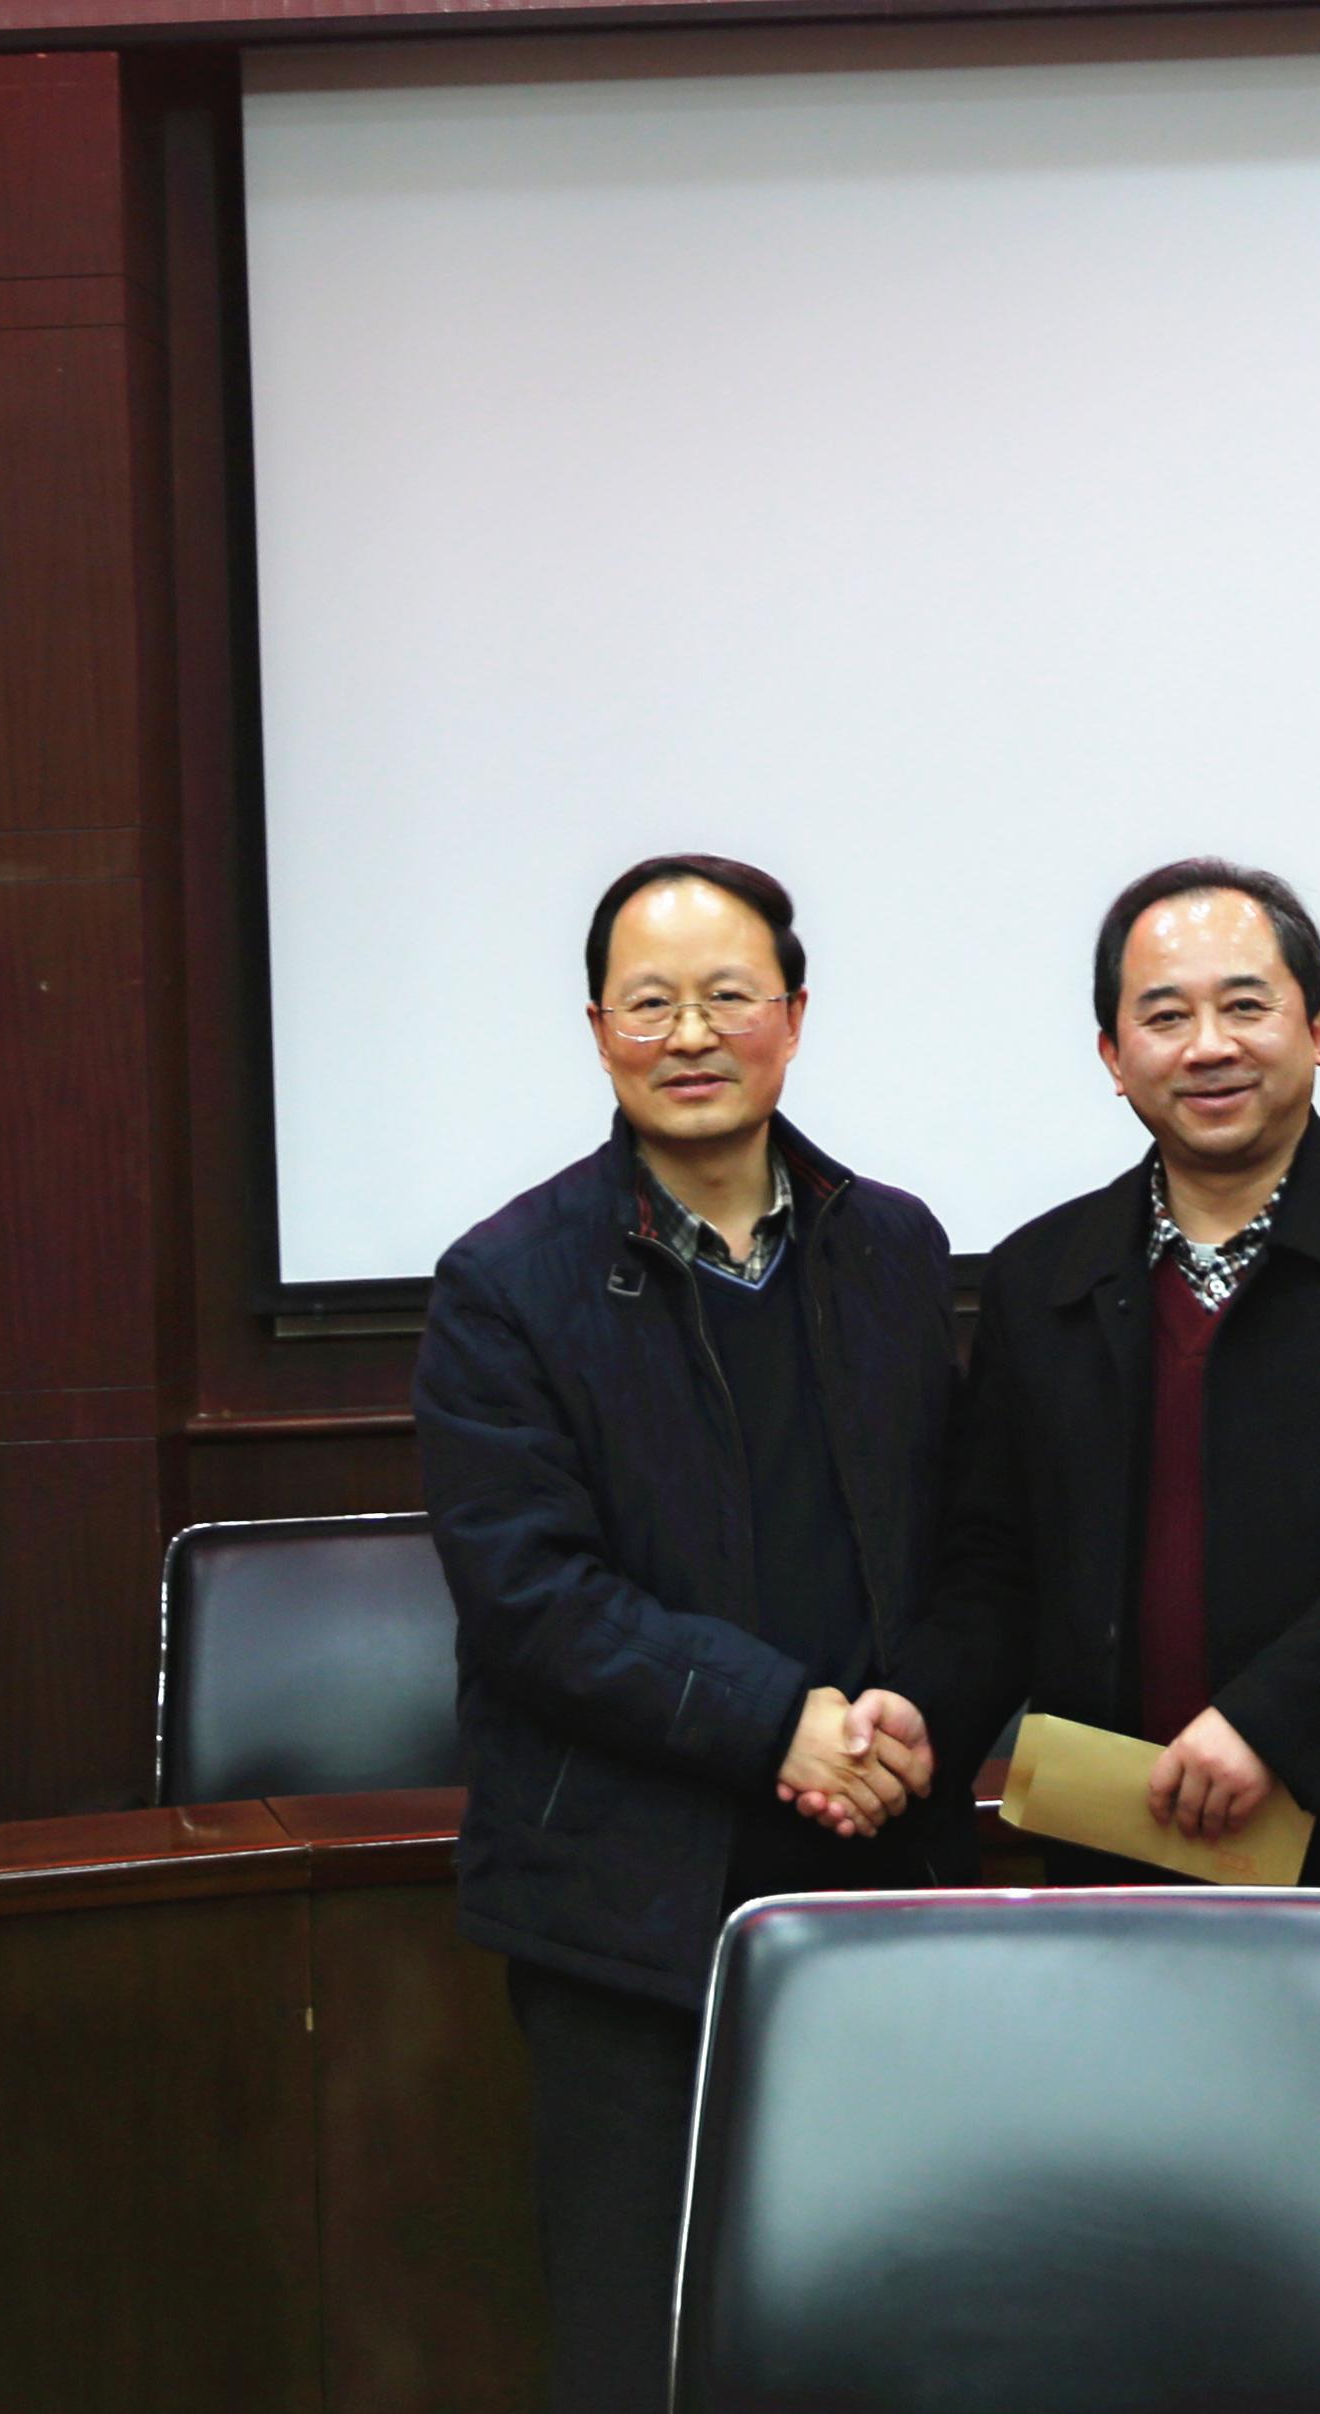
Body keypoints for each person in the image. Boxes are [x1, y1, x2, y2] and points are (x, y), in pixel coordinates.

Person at [896, 856, 1320, 2374]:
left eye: (1246, 1005)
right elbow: (994, 1562)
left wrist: (1274, 1724)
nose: (1208, 1045)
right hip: (1117, 1879)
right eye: (1164, 1013)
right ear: (1110, 1053)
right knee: (1140, 2319)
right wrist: (919, 1714)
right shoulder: (1045, 1276)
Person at [415, 853, 957, 2414]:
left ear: (795, 1013)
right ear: (599, 1029)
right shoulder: (504, 1284)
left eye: (730, 994)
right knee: (643, 2350)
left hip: (877, 1870)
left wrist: (905, 1713)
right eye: (651, 1002)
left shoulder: (896, 1248)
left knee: (892, 2323)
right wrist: (777, 1719)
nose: (694, 1033)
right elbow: (529, 1595)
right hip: (628, 1905)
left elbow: (954, 1539)